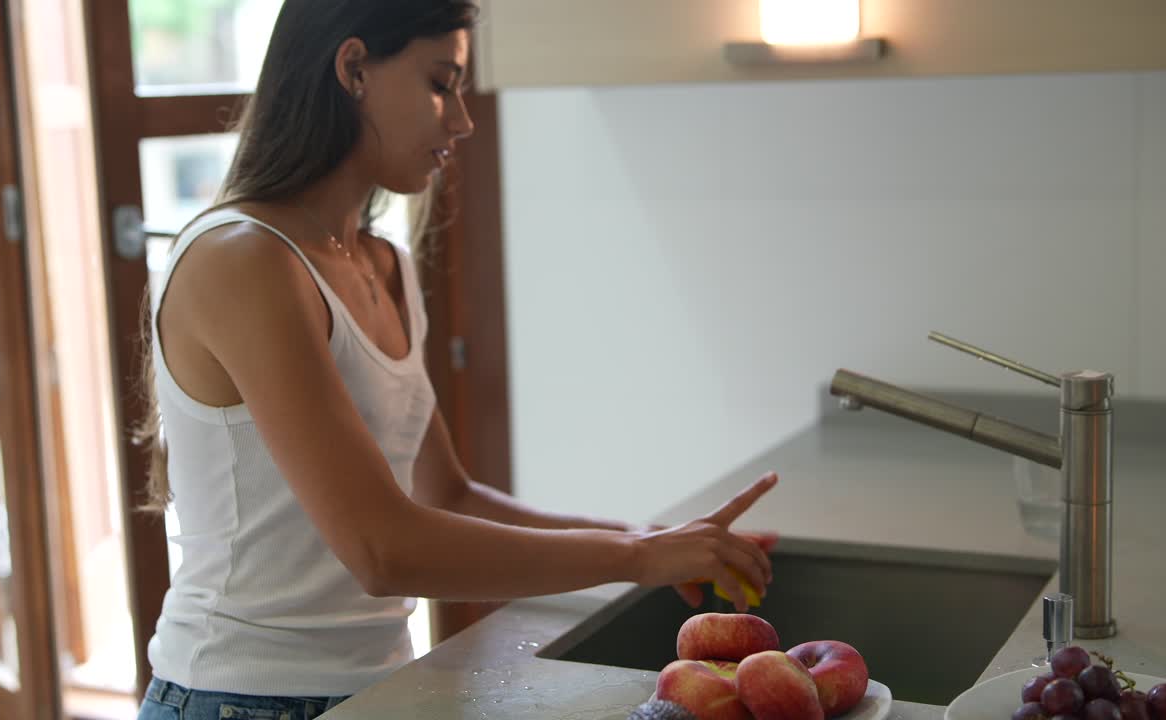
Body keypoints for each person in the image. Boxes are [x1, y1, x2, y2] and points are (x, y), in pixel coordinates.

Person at [134, 1, 777, 717]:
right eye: (442, 83)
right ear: (352, 68)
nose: (462, 119)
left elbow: (445, 494)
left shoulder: (386, 264)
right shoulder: (243, 261)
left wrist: (645, 540)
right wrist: (631, 560)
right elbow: (382, 550)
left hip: (378, 689)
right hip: (236, 698)